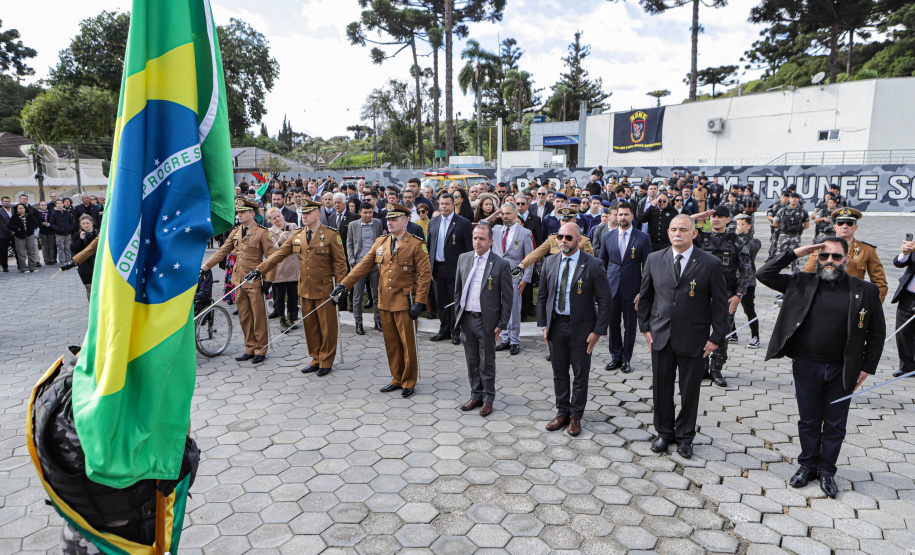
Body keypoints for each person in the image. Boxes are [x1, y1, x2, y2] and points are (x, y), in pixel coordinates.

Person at [756, 238, 885, 498]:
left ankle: (827, 471)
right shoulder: (801, 282)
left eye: (836, 257)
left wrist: (866, 368)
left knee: (836, 423)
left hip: (844, 369)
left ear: (846, 259)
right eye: (824, 256)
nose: (829, 261)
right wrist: (795, 253)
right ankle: (807, 466)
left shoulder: (865, 291)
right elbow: (763, 274)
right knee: (809, 420)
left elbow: (877, 334)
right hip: (806, 365)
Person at [638, 214, 729, 459]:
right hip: (661, 335)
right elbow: (645, 296)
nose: (677, 234)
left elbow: (720, 305)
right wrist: (645, 327)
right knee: (661, 388)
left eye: (683, 230)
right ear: (668, 232)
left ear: (694, 233)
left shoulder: (710, 263)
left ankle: (685, 436)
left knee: (689, 391)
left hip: (694, 338)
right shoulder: (654, 259)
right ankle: (664, 433)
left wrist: (716, 337)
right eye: (673, 229)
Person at [333, 203, 432, 398]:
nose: (390, 222)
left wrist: (419, 302)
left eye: (394, 219)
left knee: (407, 343)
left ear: (405, 221)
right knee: (392, 343)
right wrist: (344, 285)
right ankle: (396, 378)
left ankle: (408, 381)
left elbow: (425, 275)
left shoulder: (416, 244)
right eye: (389, 219)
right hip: (384, 301)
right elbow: (363, 266)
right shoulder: (381, 242)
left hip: (405, 301)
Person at [253, 200, 347, 377]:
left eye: (308, 213)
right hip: (305, 288)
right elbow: (279, 254)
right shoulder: (297, 235)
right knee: (310, 327)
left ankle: (326, 360)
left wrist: (342, 286)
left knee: (327, 327)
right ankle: (315, 358)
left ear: (318, 215)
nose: (304, 216)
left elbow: (341, 263)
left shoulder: (331, 235)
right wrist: (259, 270)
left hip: (325, 288)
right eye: (302, 213)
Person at [537, 222, 611, 437]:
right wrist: (543, 325)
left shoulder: (594, 265)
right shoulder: (550, 262)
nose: (563, 241)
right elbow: (542, 297)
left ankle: (576, 416)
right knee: (559, 371)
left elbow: (605, 301)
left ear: (579, 239)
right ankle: (562, 412)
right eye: (560, 237)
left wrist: (597, 331)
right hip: (556, 325)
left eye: (568, 237)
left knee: (580, 373)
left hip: (582, 328)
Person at [202, 198, 276, 364]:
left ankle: (261, 349)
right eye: (238, 212)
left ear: (252, 214)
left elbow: (272, 258)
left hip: (254, 280)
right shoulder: (236, 232)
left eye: (242, 212)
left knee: (258, 316)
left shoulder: (263, 233)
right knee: (244, 316)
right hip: (238, 280)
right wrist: (205, 267)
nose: (239, 215)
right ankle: (250, 347)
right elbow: (222, 251)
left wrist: (268, 281)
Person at [454, 223, 513, 416]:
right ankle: (475, 395)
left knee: (486, 362)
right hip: (467, 319)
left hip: (487, 321)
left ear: (490, 241)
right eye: (475, 238)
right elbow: (457, 290)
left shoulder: (501, 264)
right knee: (472, 361)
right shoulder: (463, 259)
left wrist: (501, 324)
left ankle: (488, 398)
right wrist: (459, 316)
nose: (477, 242)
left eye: (481, 239)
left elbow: (507, 298)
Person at [692, 205, 753, 387]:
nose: (716, 219)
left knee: (722, 333)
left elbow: (746, 270)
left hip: (725, 295)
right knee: (699, 331)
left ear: (728, 219)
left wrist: (739, 295)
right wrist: (696, 216)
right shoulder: (700, 237)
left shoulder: (736, 241)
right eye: (713, 216)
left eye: (721, 216)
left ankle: (716, 369)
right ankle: (701, 367)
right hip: (700, 295)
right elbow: (677, 228)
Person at [600, 201, 652, 374]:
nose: (622, 217)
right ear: (615, 215)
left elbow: (648, 268)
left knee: (630, 326)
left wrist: (642, 292)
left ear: (632, 216)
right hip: (612, 288)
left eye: (625, 214)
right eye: (619, 214)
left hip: (632, 290)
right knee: (612, 325)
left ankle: (626, 359)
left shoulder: (642, 237)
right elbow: (603, 265)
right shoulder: (607, 236)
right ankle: (615, 357)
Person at [800, 207, 888, 303]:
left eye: (849, 223)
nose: (845, 226)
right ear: (835, 226)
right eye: (840, 223)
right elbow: (806, 275)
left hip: (853, 301)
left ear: (856, 227)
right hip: (824, 299)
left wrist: (874, 307)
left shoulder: (867, 250)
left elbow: (880, 283)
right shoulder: (822, 248)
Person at [427, 193, 474, 344]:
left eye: (447, 204)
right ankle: (443, 330)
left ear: (453, 204)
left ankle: (455, 331)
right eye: (441, 204)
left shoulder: (463, 223)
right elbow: (429, 246)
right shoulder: (433, 222)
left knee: (455, 301)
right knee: (440, 300)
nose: (443, 207)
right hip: (437, 268)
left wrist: (467, 270)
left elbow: (468, 249)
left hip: (455, 269)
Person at [492, 203, 535, 355]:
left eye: (508, 213)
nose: (505, 216)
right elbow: (481, 226)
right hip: (497, 274)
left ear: (516, 214)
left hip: (515, 274)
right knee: (500, 306)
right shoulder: (496, 230)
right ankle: (505, 338)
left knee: (514, 309)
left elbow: (530, 258)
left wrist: (526, 279)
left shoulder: (525, 233)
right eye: (503, 213)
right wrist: (492, 216)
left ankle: (515, 340)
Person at [346, 202, 385, 334]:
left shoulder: (377, 223)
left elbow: (381, 241)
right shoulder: (353, 225)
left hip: (374, 264)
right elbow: (349, 244)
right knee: (357, 296)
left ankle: (378, 321)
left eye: (370, 212)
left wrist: (380, 260)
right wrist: (352, 261)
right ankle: (358, 323)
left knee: (376, 294)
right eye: (365, 212)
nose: (368, 215)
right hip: (359, 264)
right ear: (360, 213)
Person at [264, 208, 300, 331]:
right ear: (270, 220)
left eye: (278, 216)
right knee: (279, 295)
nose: (277, 219)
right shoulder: (269, 231)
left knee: (293, 294)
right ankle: (282, 321)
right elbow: (271, 249)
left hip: (293, 265)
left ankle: (291, 318)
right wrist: (279, 242)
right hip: (279, 267)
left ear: (282, 215)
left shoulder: (293, 226)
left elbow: (299, 242)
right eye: (274, 218)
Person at [733, 214, 762, 348]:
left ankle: (755, 336)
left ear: (749, 226)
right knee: (728, 308)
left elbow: (748, 251)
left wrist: (737, 236)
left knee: (749, 309)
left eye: (742, 224)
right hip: (732, 278)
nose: (739, 226)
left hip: (748, 280)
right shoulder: (732, 240)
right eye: (738, 223)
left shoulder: (754, 242)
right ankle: (732, 333)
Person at [891, 236, 915, 378]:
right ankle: (907, 367)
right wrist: (905, 253)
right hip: (909, 295)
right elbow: (898, 263)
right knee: (903, 332)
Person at [61, 215, 99, 298]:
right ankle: (91, 308)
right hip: (84, 264)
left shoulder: (98, 234)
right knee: (89, 288)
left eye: (87, 223)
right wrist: (81, 240)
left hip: (97, 262)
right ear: (80, 225)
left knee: (99, 287)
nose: (86, 225)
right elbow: (74, 249)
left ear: (92, 223)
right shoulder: (76, 235)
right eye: (83, 224)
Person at [772, 193, 809, 271]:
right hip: (783, 236)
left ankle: (795, 271)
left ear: (798, 199)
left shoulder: (803, 211)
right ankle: (776, 270)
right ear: (789, 199)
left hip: (795, 236)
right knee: (780, 254)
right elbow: (775, 223)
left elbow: (806, 225)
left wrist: (797, 229)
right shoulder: (782, 210)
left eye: (796, 198)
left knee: (795, 254)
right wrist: (783, 228)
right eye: (792, 197)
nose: (794, 199)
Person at [8, 203, 40, 272]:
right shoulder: (15, 217)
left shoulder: (29, 215)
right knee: (21, 253)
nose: (21, 210)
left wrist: (30, 228)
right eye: (19, 208)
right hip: (19, 236)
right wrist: (17, 228)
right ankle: (23, 268)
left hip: (29, 235)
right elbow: (10, 226)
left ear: (25, 209)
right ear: (16, 209)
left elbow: (36, 224)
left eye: (22, 208)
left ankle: (32, 267)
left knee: (31, 252)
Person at [50, 200, 74, 264]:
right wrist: (57, 229)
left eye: (61, 203)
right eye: (58, 203)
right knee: (61, 248)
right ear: (56, 205)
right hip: (59, 234)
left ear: (63, 204)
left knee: (67, 247)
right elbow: (52, 223)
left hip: (67, 233)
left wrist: (69, 228)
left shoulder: (66, 213)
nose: (59, 204)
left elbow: (71, 222)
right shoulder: (54, 213)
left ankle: (68, 260)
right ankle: (62, 261)